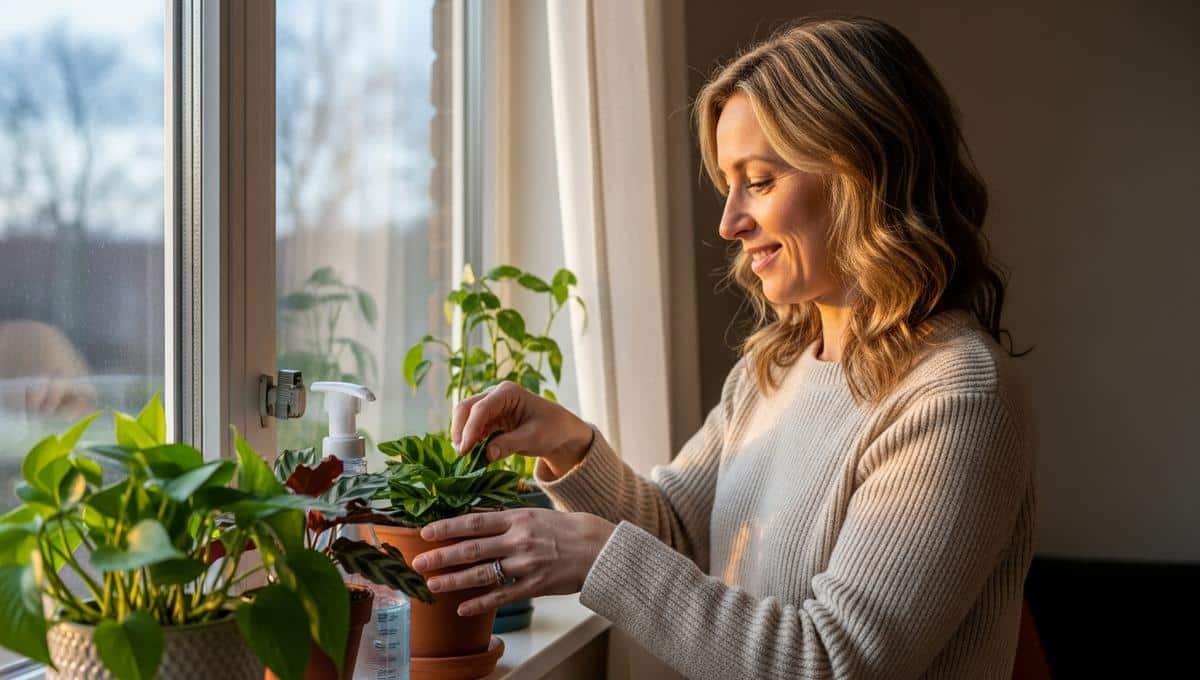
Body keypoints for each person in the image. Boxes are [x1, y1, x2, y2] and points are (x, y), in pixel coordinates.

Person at [409, 15, 1035, 679]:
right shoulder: (777, 368)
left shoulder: (958, 398)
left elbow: (831, 663)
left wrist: (597, 558)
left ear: (864, 173)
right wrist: (569, 446)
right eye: (728, 185)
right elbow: (679, 536)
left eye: (759, 180)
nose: (729, 221)